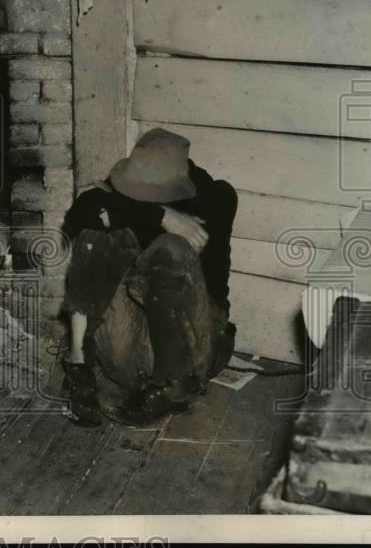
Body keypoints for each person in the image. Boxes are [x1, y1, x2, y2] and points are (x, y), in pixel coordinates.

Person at [60, 128, 238, 427]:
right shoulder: (132, 196)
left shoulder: (215, 198)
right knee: (94, 237)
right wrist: (159, 215)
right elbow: (80, 214)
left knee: (170, 248)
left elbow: (104, 205)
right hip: (129, 352)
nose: (131, 197)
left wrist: (121, 211)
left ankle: (170, 388)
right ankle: (79, 369)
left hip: (194, 350)